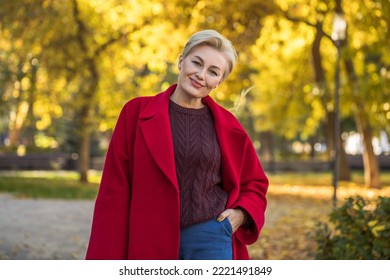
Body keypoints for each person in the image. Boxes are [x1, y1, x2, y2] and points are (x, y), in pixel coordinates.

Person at [86, 29, 268, 260]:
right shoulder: (135, 113)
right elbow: (115, 191)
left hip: (211, 240)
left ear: (219, 81)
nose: (201, 75)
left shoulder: (230, 127)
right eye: (196, 63)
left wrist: (241, 215)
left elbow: (255, 183)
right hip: (149, 240)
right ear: (181, 60)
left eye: (213, 71)